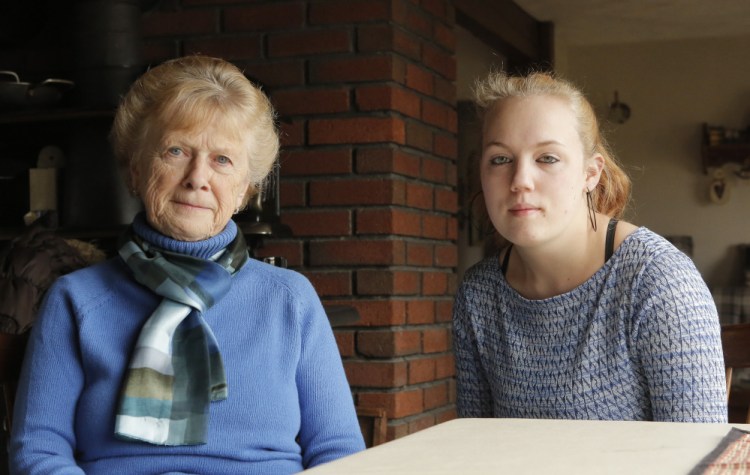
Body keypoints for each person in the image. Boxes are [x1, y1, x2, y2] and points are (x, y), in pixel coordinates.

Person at [10, 55, 365, 474]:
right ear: (135, 171)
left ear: (244, 192)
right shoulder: (75, 300)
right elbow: (39, 451)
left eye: (222, 160)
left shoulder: (289, 300)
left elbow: (340, 452)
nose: (197, 177)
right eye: (176, 150)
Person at [452, 70, 727, 423]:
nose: (520, 181)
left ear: (590, 174)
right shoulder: (478, 296)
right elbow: (476, 451)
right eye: (500, 159)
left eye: (547, 158)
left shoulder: (657, 282)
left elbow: (704, 461)